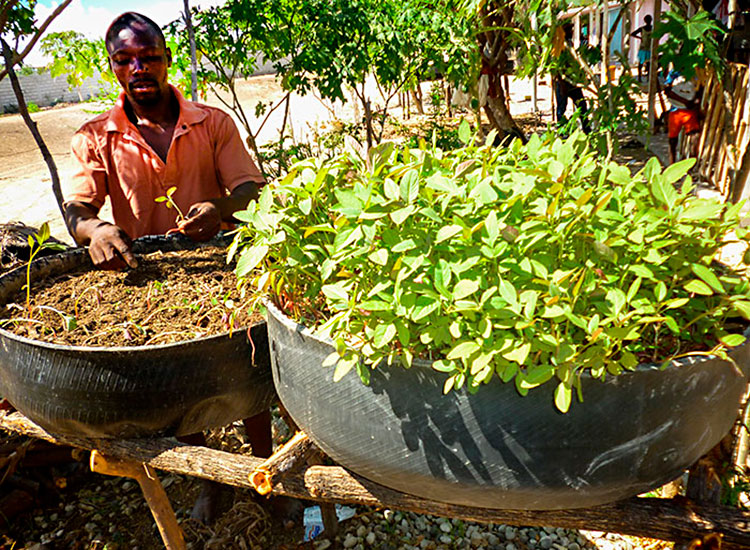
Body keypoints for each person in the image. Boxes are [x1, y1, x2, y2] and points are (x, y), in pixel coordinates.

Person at [63, 12, 286, 524]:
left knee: (245, 370)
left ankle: (262, 469)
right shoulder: (96, 137)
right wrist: (97, 232)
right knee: (178, 384)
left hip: (222, 269)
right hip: (152, 283)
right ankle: (209, 479)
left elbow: (250, 188)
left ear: (166, 60)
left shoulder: (212, 122)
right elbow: (78, 209)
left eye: (149, 57)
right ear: (114, 65)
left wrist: (221, 210)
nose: (138, 68)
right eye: (125, 60)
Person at [551, 23, 591, 134]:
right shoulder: (558, 46)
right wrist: (561, 82)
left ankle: (587, 129)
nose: (571, 31)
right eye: (569, 29)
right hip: (563, 82)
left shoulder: (569, 43)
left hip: (573, 81)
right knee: (561, 108)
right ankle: (561, 131)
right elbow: (556, 67)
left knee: (582, 105)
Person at [663, 70, 703, 164]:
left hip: (689, 111)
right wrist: (685, 102)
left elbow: (700, 89)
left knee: (694, 136)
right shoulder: (674, 74)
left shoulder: (698, 74)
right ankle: (672, 164)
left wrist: (695, 104)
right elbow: (667, 91)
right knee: (672, 140)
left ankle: (691, 164)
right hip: (676, 109)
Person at [631, 15, 653, 82]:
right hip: (648, 48)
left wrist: (640, 38)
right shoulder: (652, 28)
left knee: (642, 63)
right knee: (646, 64)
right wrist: (640, 38)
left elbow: (632, 34)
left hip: (645, 47)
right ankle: (645, 78)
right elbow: (632, 34)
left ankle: (641, 78)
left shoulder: (643, 28)